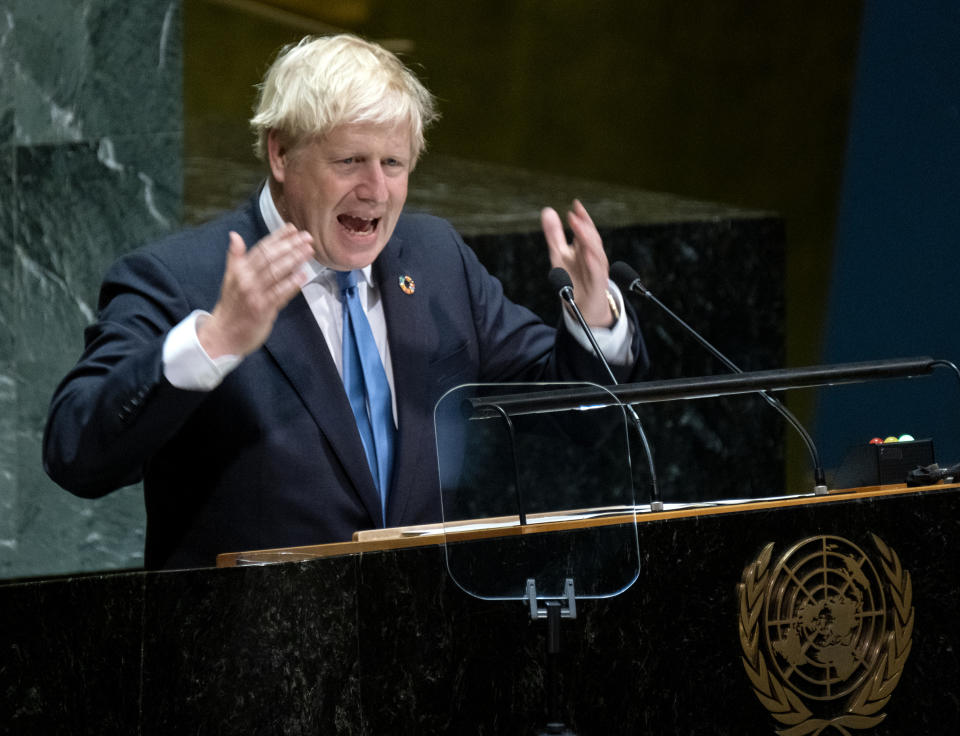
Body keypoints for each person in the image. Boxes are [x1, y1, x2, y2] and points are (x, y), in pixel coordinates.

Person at [43, 34, 648, 569]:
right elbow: (76, 452)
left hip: (425, 661)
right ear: (281, 154)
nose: (376, 190)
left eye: (393, 163)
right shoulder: (179, 279)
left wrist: (594, 319)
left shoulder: (435, 258)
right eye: (350, 161)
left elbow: (582, 415)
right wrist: (213, 342)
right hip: (248, 667)